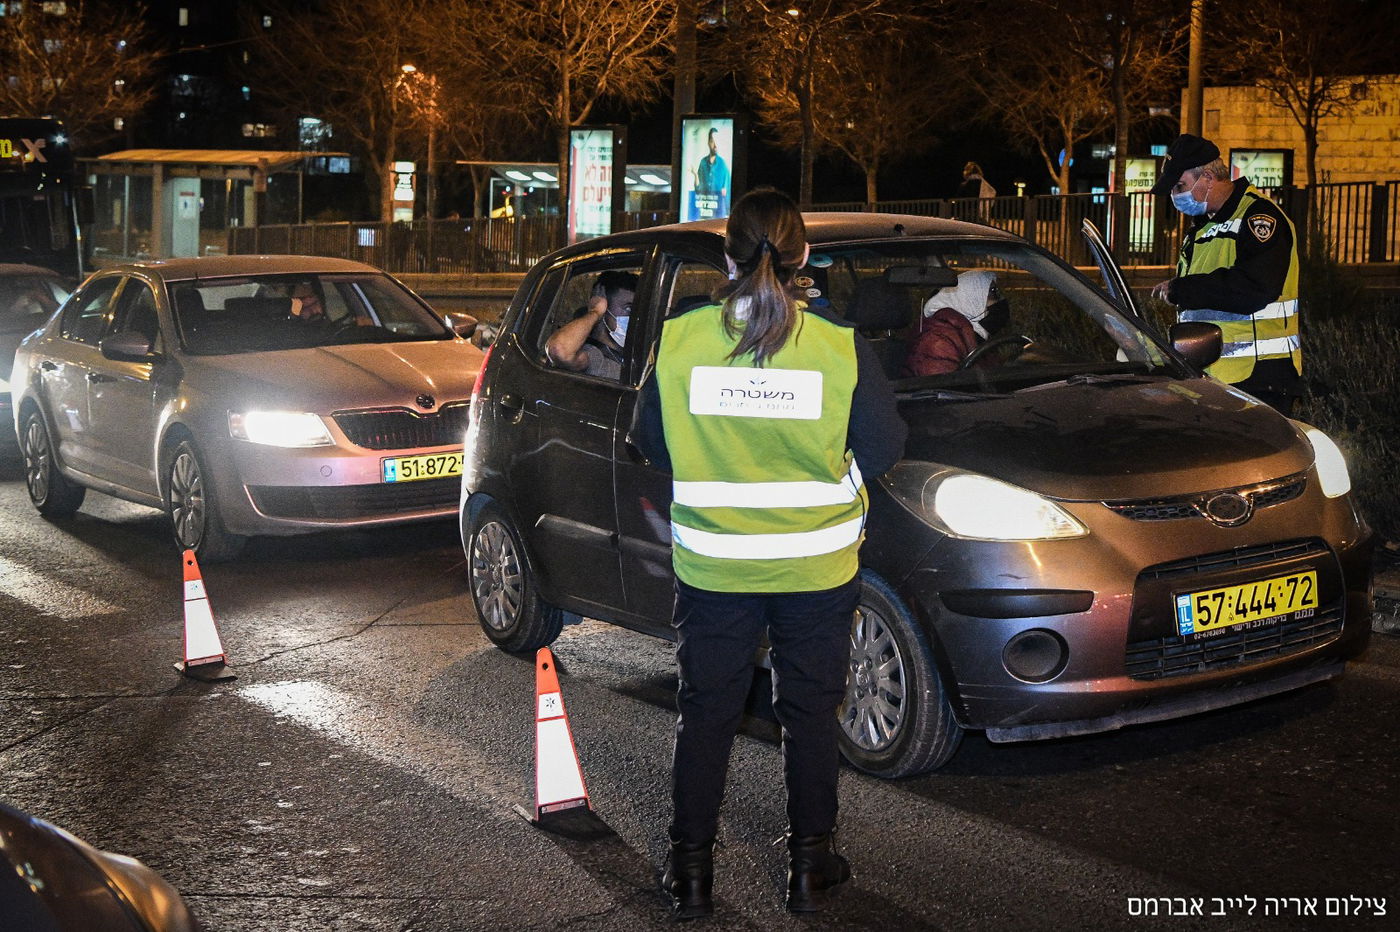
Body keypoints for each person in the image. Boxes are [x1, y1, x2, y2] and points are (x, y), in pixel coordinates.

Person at [630, 188, 906, 919]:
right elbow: (883, 449)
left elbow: (649, 441)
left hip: (715, 563)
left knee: (706, 712)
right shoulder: (837, 343)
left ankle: (690, 871)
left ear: (726, 258)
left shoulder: (682, 337)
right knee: (810, 714)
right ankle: (810, 868)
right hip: (816, 566)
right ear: (804, 255)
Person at [1149, 133, 1302, 413]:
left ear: (1208, 177)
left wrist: (1182, 289)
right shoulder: (1203, 227)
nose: (1175, 195)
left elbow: (1255, 288)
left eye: (1180, 185)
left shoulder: (1259, 217)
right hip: (1217, 379)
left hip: (1259, 380)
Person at [902, 270, 1010, 377]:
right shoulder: (938, 341)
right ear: (969, 298)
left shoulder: (978, 336)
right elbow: (942, 385)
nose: (1001, 300)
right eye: (993, 292)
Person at [544, 270, 638, 379]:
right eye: (628, 308)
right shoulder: (593, 355)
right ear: (604, 308)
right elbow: (559, 350)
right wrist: (596, 312)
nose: (634, 316)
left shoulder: (631, 356)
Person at [694, 127, 730, 216]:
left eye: (717, 141)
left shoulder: (723, 164)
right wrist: (695, 175)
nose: (715, 145)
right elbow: (698, 190)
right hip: (704, 210)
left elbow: (726, 193)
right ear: (708, 142)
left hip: (718, 213)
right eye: (713, 141)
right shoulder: (703, 163)